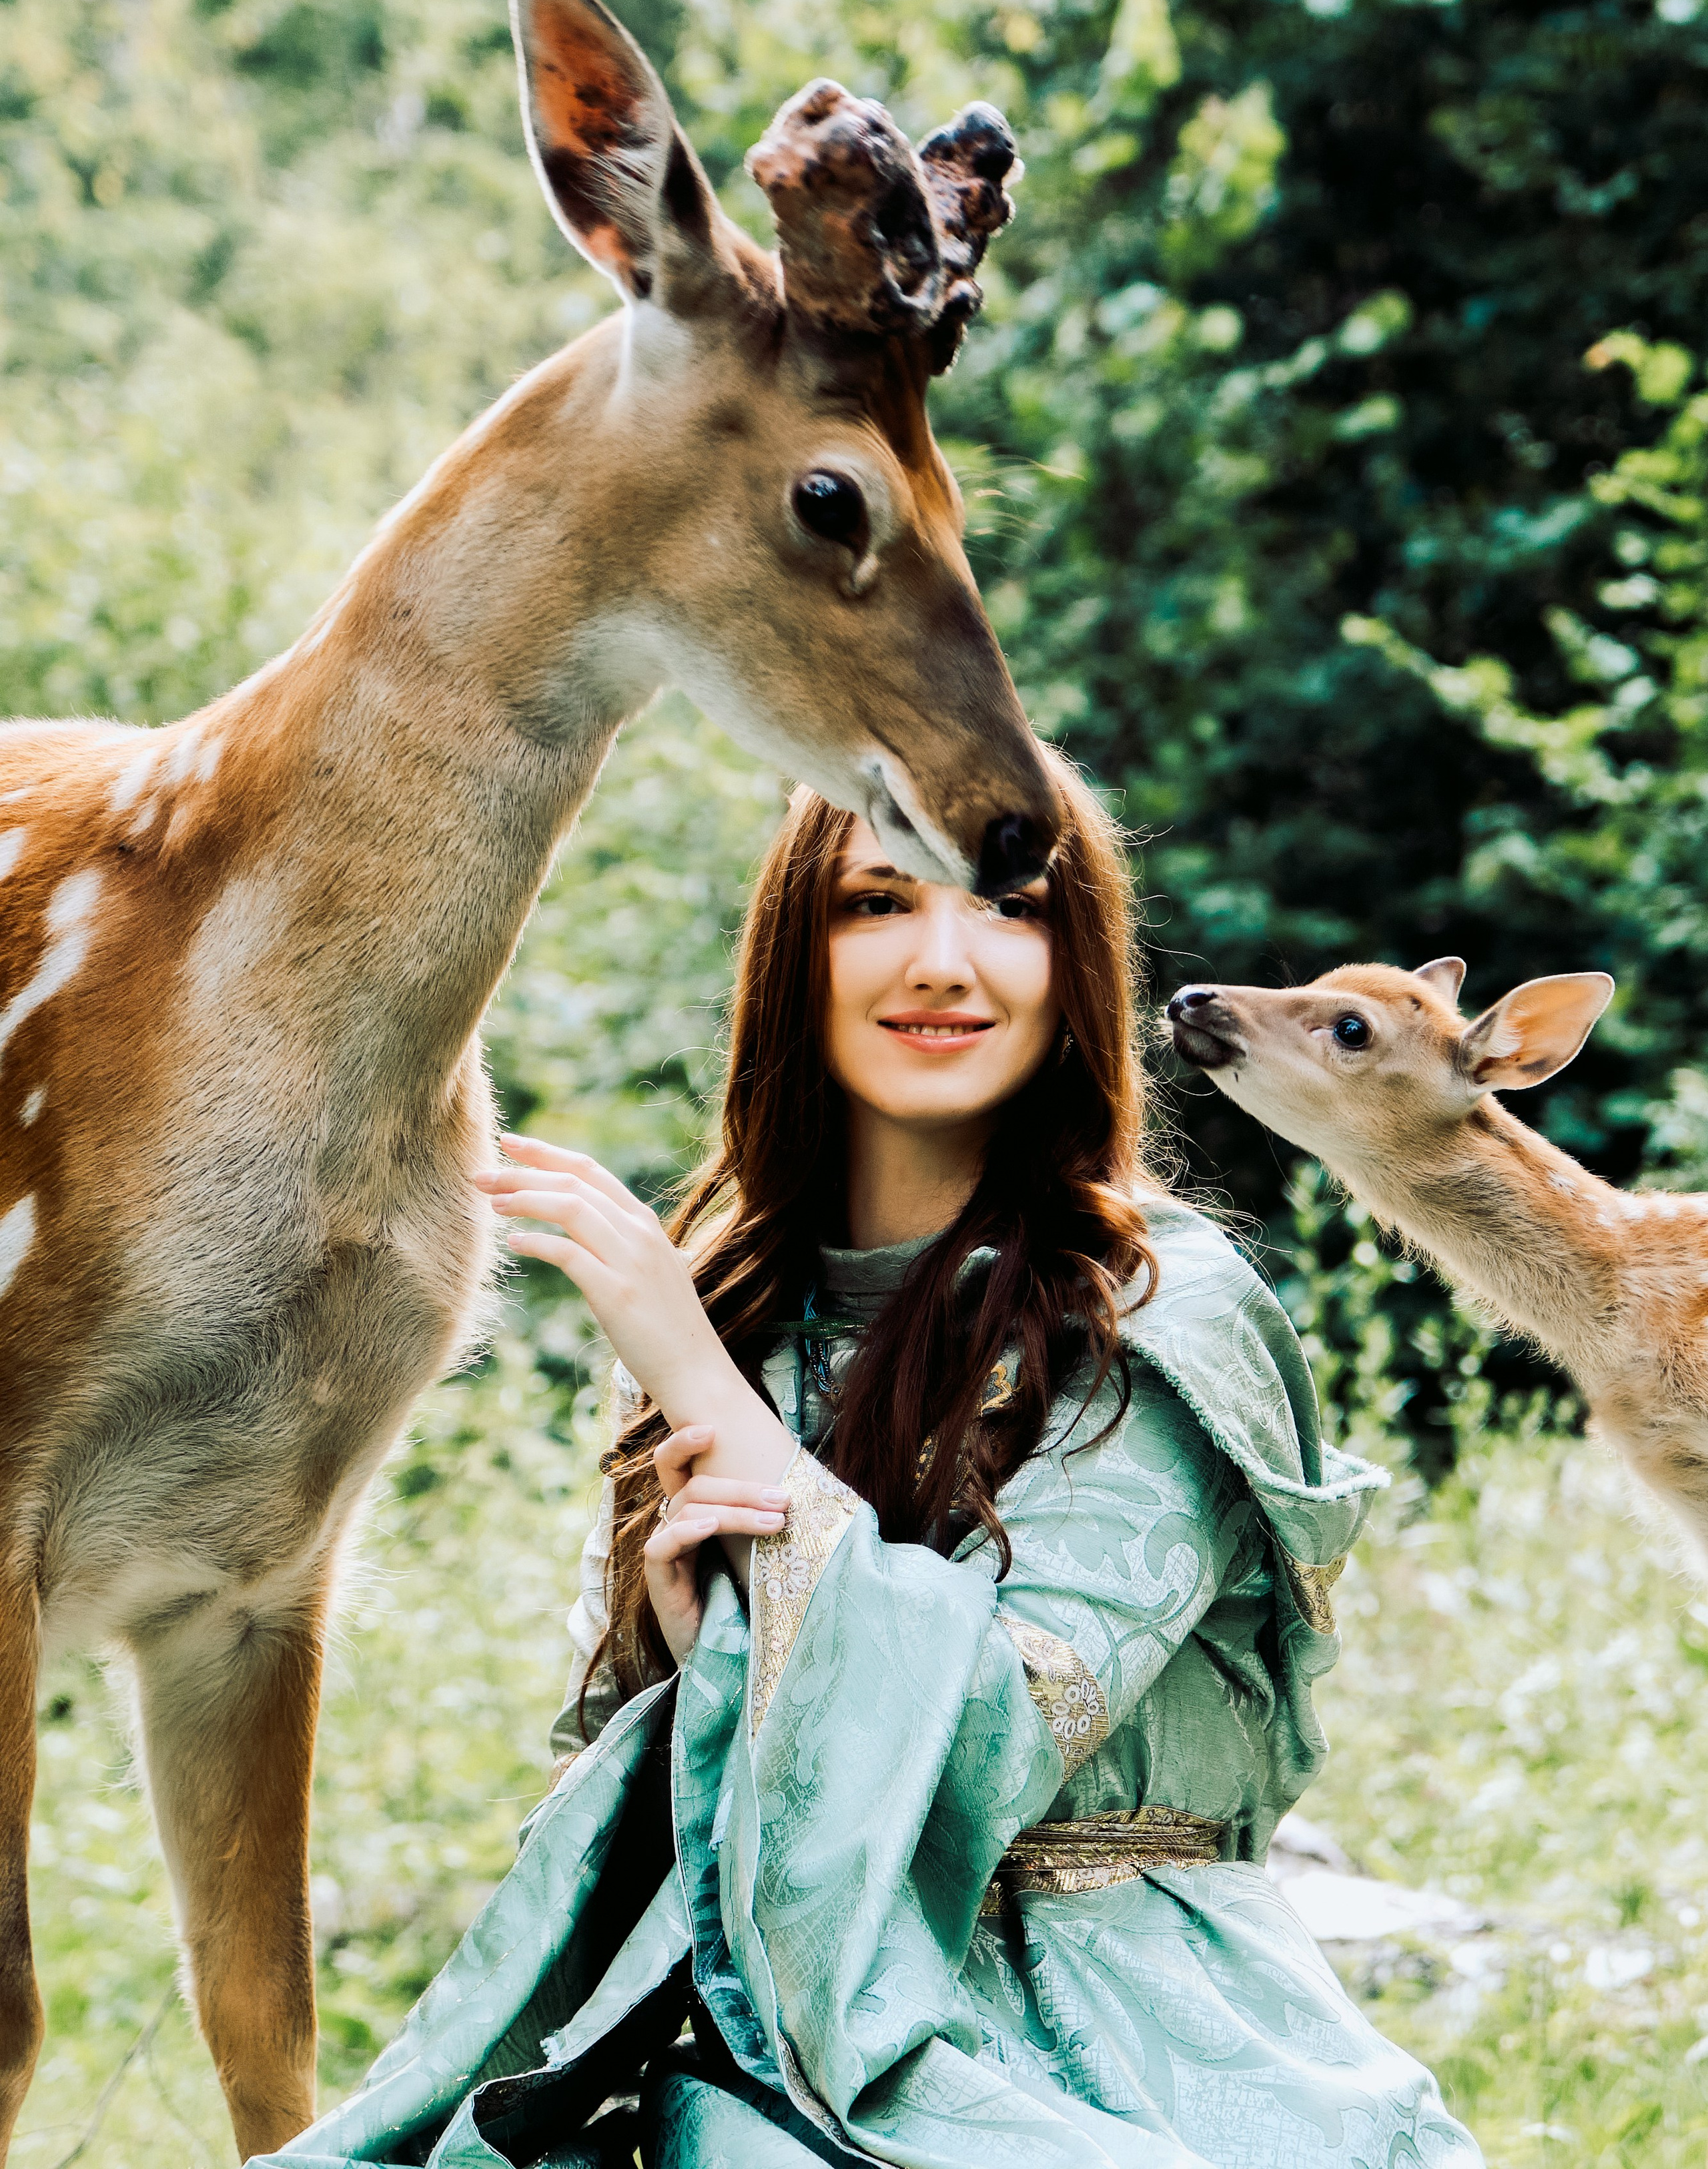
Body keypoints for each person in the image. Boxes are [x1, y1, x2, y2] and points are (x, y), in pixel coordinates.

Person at [265, 759, 1481, 2169]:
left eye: (1007, 909)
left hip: (1130, 2031)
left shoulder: (1165, 1310)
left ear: (1070, 964)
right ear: (799, 951)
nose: (943, 960)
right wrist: (694, 1652)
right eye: (877, 901)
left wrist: (713, 1415)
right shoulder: (726, 1314)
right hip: (763, 2024)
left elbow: (992, 1744)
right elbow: (650, 1814)